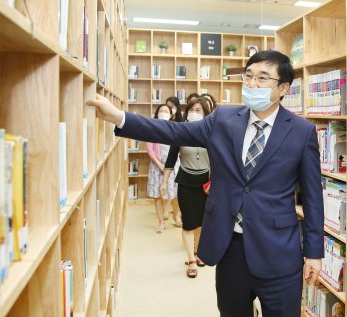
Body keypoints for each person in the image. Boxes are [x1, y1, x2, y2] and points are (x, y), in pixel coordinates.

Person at [88, 50, 324, 317]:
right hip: (230, 247)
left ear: (283, 88)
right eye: (248, 76)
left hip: (278, 251)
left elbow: (313, 197)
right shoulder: (223, 119)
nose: (252, 84)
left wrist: (314, 253)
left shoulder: (302, 132)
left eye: (262, 78)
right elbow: (174, 131)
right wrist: (120, 117)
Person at [161, 97, 212, 278]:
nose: (195, 113)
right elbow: (171, 158)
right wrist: (164, 181)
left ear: (206, 113)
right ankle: (191, 259)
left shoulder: (212, 132)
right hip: (185, 182)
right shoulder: (180, 131)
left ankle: (197, 252)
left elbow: (219, 159)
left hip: (206, 183)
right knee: (189, 223)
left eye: (199, 110)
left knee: (202, 222)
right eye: (192, 109)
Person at [147, 104, 179, 233]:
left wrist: (169, 167)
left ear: (171, 115)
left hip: (173, 166)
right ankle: (160, 222)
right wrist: (160, 165)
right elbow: (149, 150)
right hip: (157, 166)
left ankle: (176, 217)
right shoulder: (152, 129)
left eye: (166, 111)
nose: (163, 113)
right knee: (158, 196)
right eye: (161, 111)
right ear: (157, 114)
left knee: (175, 194)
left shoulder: (175, 128)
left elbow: (178, 147)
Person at [164, 96, 184, 227]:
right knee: (168, 187)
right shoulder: (166, 119)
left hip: (179, 159)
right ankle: (170, 211)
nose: (170, 109)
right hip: (167, 154)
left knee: (175, 188)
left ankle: (176, 214)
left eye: (171, 106)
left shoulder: (181, 121)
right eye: (167, 106)